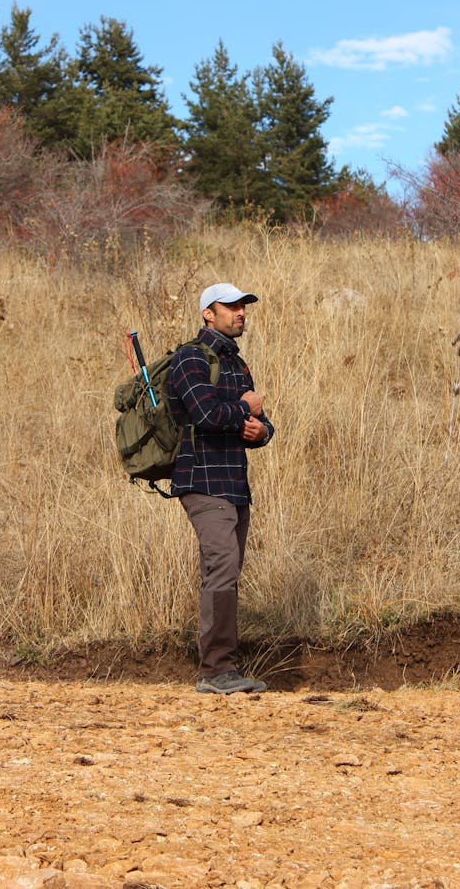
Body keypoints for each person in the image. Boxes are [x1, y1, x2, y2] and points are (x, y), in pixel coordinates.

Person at [167, 282, 274, 694]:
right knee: (222, 568)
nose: (240, 311)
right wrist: (246, 409)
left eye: (242, 305)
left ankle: (223, 668)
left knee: (227, 573)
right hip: (201, 481)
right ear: (207, 314)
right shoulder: (189, 358)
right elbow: (207, 414)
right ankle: (215, 671)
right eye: (230, 306)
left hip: (234, 483)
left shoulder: (238, 364)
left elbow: (265, 425)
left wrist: (260, 430)